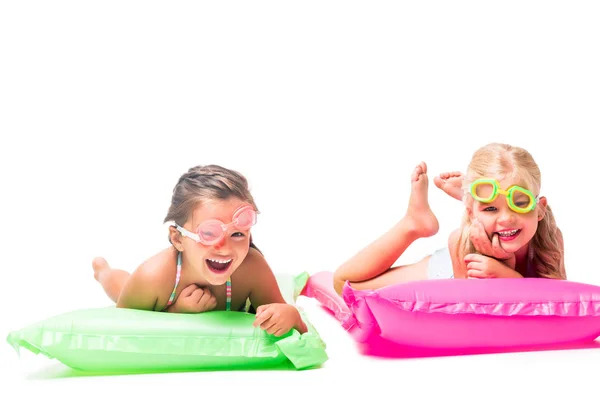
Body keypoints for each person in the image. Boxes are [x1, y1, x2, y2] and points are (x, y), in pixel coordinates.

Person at [93, 164, 307, 337]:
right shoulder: (153, 276)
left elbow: (292, 322)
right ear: (178, 239)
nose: (225, 248)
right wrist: (177, 312)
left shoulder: (252, 268)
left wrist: (292, 316)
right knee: (120, 287)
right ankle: (103, 271)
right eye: (209, 234)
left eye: (237, 235)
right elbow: (121, 331)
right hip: (154, 294)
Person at [333, 142, 566, 295]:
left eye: (520, 204)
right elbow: (471, 312)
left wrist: (507, 272)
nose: (506, 219)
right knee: (345, 284)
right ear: (471, 212)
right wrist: (503, 264)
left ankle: (473, 198)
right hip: (447, 274)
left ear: (540, 209)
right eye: (491, 209)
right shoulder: (460, 241)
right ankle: (413, 223)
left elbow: (563, 300)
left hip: (476, 221)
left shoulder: (550, 238)